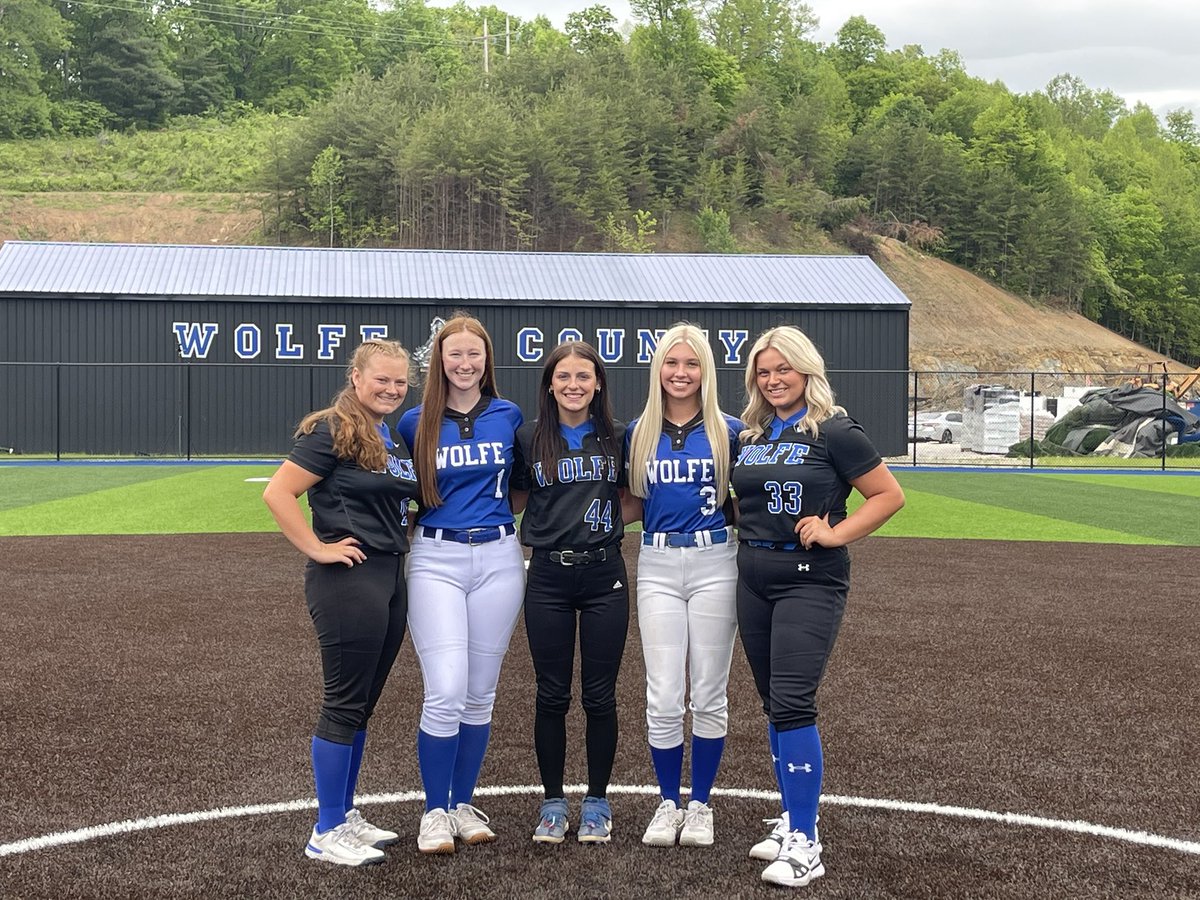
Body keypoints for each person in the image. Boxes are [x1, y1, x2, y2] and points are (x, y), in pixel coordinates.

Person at [733, 326, 904, 889]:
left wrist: (836, 533)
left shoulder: (834, 429)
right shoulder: (753, 434)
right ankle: (790, 819)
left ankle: (806, 844)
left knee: (793, 701)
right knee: (773, 703)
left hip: (808, 579)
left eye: (783, 369)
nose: (773, 380)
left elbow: (888, 495)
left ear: (807, 370)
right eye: (764, 372)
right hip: (752, 575)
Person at [262, 338, 418, 867]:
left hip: (389, 574)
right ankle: (325, 829)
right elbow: (278, 493)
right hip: (349, 578)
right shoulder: (331, 429)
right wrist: (317, 547)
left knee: (363, 703)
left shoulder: (390, 436)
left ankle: (344, 814)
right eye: (382, 379)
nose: (391, 389)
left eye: (400, 382)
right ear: (356, 377)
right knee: (344, 701)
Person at [396, 314, 526, 855]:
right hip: (436, 557)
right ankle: (434, 810)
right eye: (455, 353)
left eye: (475, 353)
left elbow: (520, 488)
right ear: (439, 359)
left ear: (487, 359)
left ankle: (462, 803)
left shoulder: (508, 414)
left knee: (479, 694)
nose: (465, 363)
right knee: (446, 689)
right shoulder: (414, 422)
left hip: (499, 555)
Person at [625, 324, 743, 848]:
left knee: (710, 691)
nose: (680, 373)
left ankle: (701, 805)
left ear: (706, 370)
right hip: (657, 561)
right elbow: (631, 502)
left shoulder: (729, 430)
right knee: (664, 693)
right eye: (671, 363)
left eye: (691, 363)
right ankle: (668, 801)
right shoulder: (639, 431)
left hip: (716, 559)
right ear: (658, 369)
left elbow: (745, 500)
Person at [510, 341, 632, 845]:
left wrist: (598, 524)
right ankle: (554, 802)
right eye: (563, 376)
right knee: (552, 693)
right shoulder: (528, 436)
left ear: (598, 383)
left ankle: (598, 801)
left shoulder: (619, 436)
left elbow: (632, 497)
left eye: (584, 376)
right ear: (550, 384)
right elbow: (517, 497)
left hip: (604, 574)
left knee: (600, 695)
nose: (573, 385)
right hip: (548, 575)